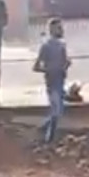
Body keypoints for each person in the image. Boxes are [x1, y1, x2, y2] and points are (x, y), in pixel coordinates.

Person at [33, 17, 70, 145]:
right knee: (56, 111)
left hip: (59, 81)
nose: (62, 30)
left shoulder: (61, 45)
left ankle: (43, 131)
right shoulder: (46, 46)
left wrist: (64, 66)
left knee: (58, 110)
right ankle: (48, 138)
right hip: (52, 81)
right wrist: (50, 69)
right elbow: (36, 66)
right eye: (59, 28)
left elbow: (65, 63)